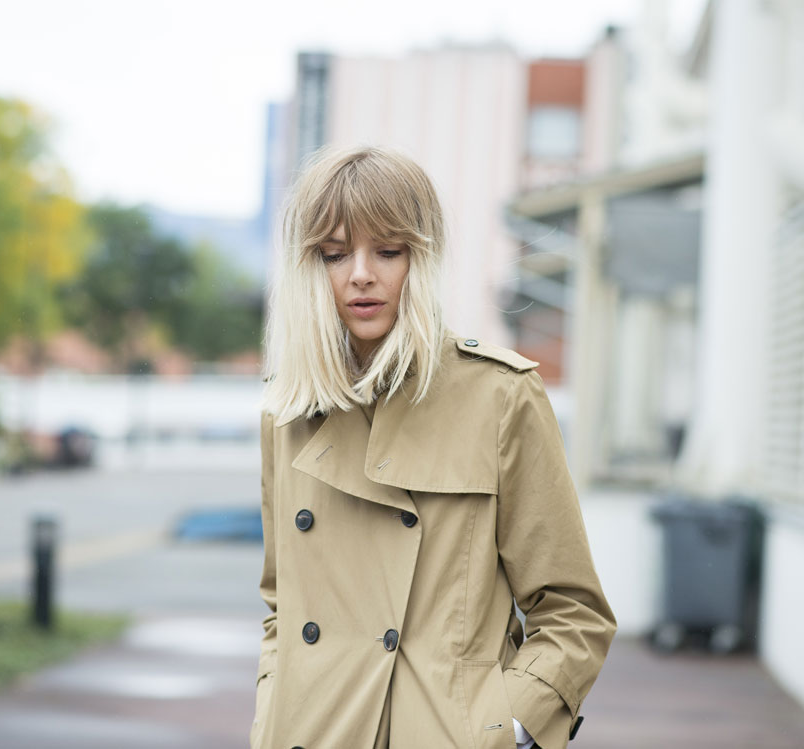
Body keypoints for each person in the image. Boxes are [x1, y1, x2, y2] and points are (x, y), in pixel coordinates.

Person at [252, 145, 615, 749]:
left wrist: (507, 728)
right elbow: (282, 607)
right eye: (335, 254)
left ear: (420, 259)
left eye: (388, 251)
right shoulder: (287, 407)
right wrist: (270, 714)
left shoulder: (500, 397)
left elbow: (573, 612)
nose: (361, 274)